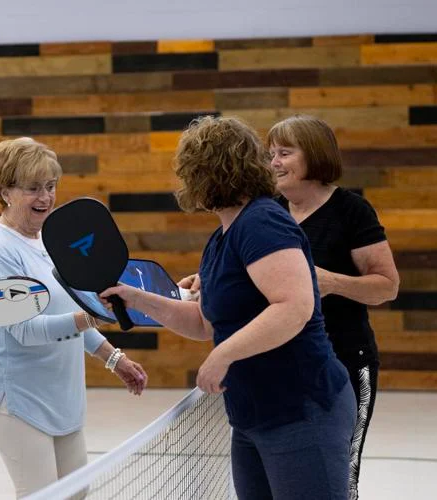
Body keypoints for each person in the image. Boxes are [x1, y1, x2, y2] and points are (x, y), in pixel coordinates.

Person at [101, 116, 356, 499]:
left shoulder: (263, 223)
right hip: (252, 416)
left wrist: (224, 354)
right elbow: (205, 322)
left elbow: (294, 307)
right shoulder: (222, 237)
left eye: (189, 171)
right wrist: (135, 298)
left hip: (302, 411)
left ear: (208, 173)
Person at [0, 137, 148, 498]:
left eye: (51, 186)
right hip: (15, 398)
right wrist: (91, 317)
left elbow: (66, 316)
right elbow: (24, 331)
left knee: (76, 493)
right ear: (5, 191)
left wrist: (115, 359)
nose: (46, 198)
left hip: (62, 395)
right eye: (33, 188)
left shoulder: (50, 241)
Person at [267, 115, 400, 499]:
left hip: (346, 360)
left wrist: (330, 282)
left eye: (285, 153)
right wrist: (205, 278)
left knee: (343, 472)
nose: (274, 162)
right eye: (271, 154)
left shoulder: (352, 211)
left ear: (315, 156)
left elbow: (387, 286)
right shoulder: (270, 213)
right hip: (285, 363)